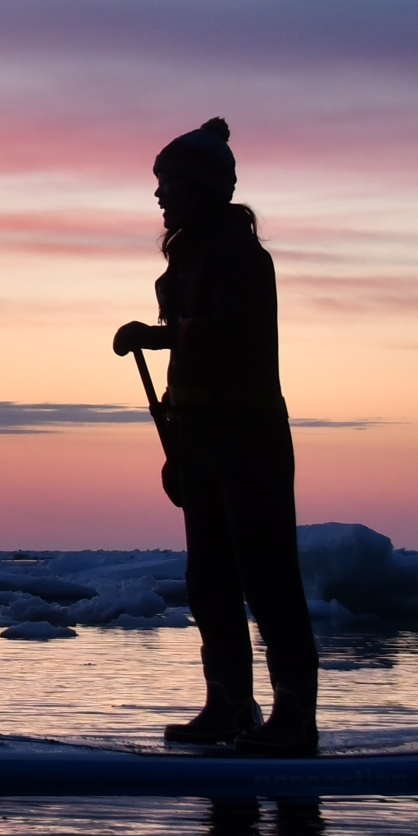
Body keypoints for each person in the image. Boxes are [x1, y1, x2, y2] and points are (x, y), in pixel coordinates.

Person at [113, 117, 319, 757]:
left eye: (167, 183)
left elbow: (227, 333)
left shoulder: (240, 256)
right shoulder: (188, 256)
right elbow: (192, 361)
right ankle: (229, 706)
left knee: (267, 576)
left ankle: (294, 719)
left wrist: (159, 336)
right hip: (201, 438)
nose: (158, 196)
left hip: (249, 437)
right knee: (209, 579)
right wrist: (178, 444)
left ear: (201, 188)